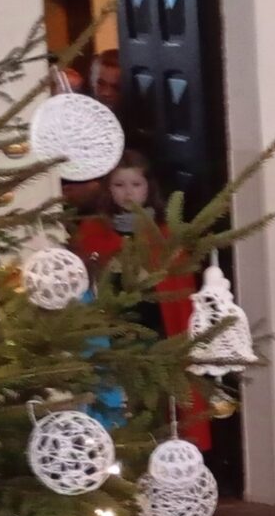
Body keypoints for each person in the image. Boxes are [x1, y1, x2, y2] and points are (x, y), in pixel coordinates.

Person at [73, 148, 209, 451]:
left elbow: (179, 289)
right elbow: (83, 282)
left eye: (136, 184)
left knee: (159, 406)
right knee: (117, 406)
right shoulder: (93, 230)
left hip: (158, 336)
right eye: (119, 185)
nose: (128, 193)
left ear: (149, 187)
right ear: (108, 189)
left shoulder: (164, 233)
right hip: (113, 339)